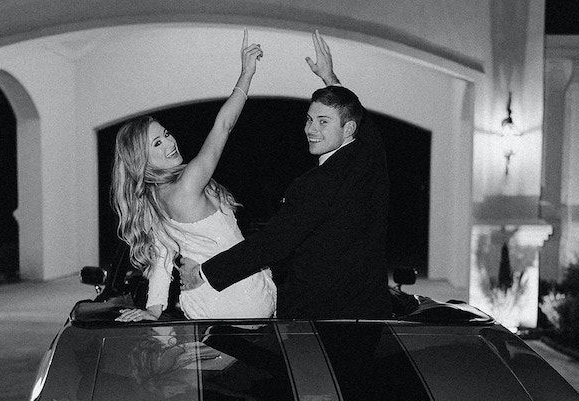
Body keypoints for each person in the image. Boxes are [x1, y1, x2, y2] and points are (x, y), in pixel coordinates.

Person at [179, 30, 392, 320]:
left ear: (348, 129)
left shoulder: (314, 184)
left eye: (323, 122)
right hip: (373, 313)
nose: (311, 129)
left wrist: (204, 273)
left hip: (321, 323)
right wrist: (329, 76)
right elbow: (360, 120)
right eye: (309, 119)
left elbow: (272, 243)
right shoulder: (370, 156)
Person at [112, 29, 276, 323]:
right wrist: (246, 75)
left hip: (200, 306)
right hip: (243, 297)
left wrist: (154, 308)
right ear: (141, 160)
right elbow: (223, 126)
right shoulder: (188, 183)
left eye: (165, 134)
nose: (170, 142)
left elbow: (162, 257)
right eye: (157, 144)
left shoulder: (151, 200)